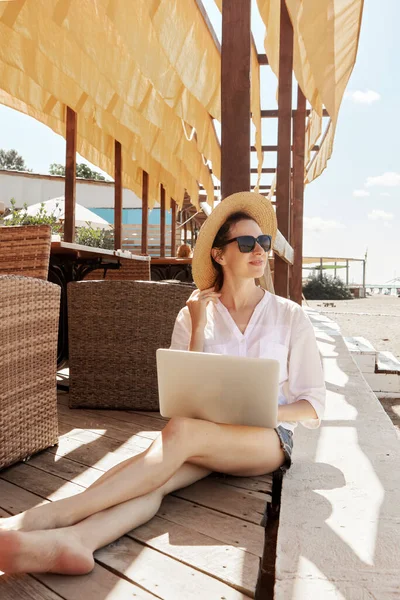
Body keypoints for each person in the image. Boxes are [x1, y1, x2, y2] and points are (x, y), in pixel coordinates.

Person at [0, 191, 325, 575]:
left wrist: (273, 410)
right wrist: (200, 326)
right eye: (247, 242)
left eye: (264, 242)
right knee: (157, 480)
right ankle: (77, 542)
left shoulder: (290, 316)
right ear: (219, 255)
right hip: (208, 435)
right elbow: (182, 394)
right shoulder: (192, 314)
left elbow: (313, 403)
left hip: (267, 439)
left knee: (179, 435)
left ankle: (49, 517)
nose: (260, 250)